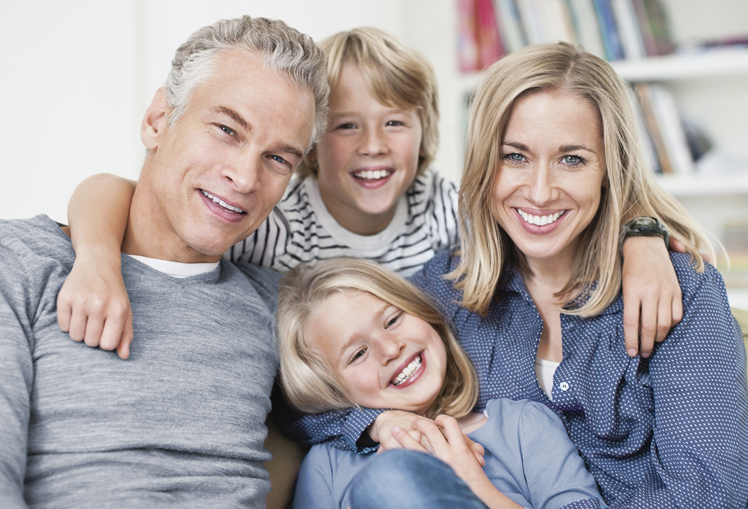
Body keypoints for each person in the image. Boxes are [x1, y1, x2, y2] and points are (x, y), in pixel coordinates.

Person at [285, 42, 748, 508]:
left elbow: (712, 494)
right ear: (487, 162)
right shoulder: (449, 287)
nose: (541, 192)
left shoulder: (677, 291)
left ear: (609, 167)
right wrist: (375, 423)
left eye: (572, 159)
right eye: (515, 157)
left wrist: (642, 230)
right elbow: (302, 397)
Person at [59, 28, 681, 361]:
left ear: (425, 130)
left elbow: (547, 207)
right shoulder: (277, 217)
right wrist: (94, 257)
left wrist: (644, 237)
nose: (373, 146)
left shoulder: (446, 206)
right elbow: (115, 190)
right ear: (305, 148)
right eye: (346, 126)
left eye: (395, 122)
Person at [0, 15, 328, 508]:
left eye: (278, 159)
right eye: (226, 129)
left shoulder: (275, 302)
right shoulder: (24, 264)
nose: (244, 177)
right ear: (158, 120)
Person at [277, 258, 607, 509]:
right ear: (333, 388)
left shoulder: (522, 425)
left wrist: (474, 485)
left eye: (393, 319)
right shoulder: (328, 465)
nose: (391, 349)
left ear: (424, 313)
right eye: (358, 354)